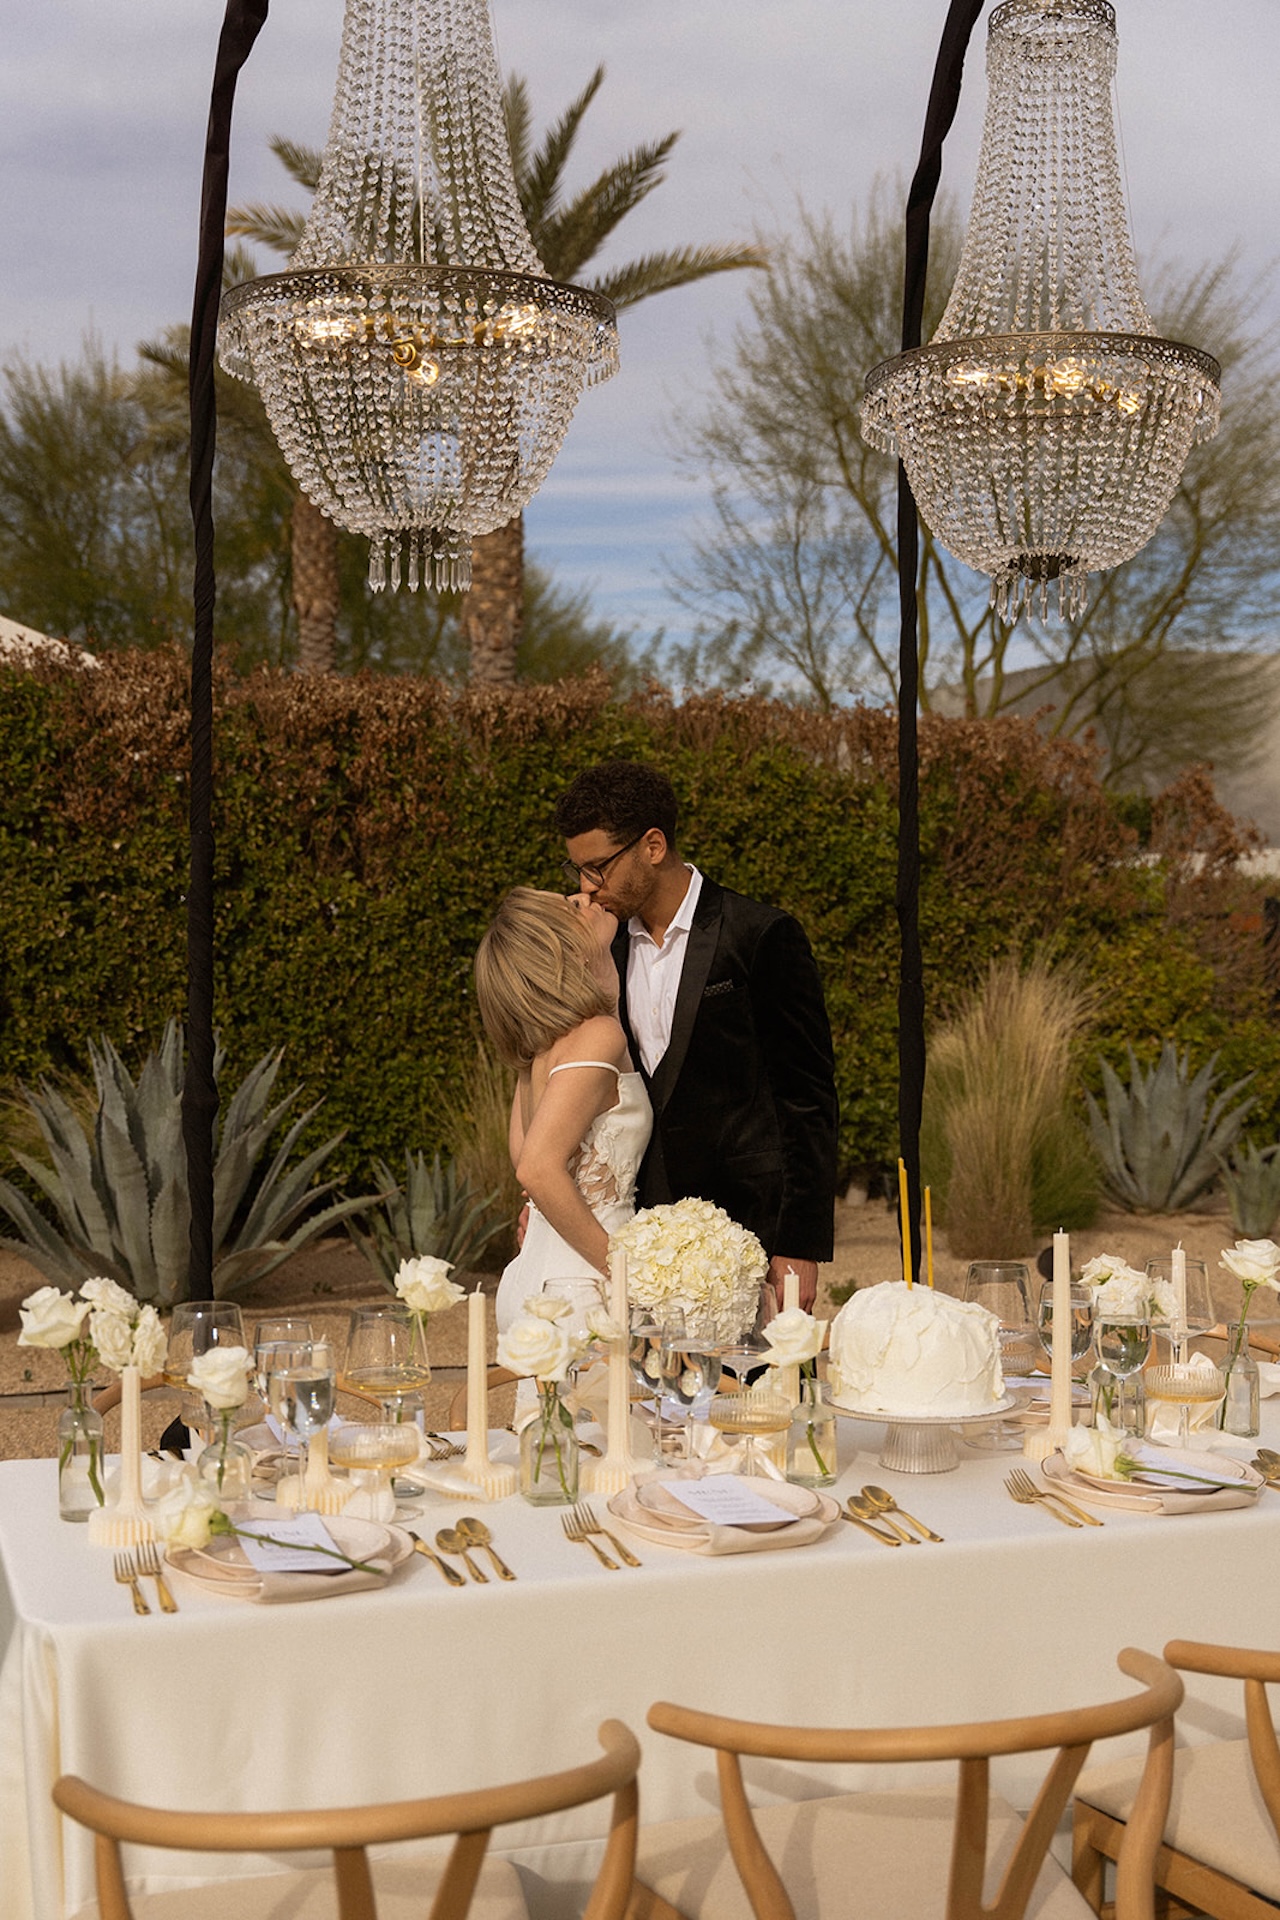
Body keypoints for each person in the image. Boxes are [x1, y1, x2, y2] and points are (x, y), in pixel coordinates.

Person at [554, 760, 838, 1313]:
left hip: (751, 1233)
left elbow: (808, 1100)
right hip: (642, 1241)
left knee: (764, 1400)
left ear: (653, 846)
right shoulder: (601, 950)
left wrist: (799, 1243)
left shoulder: (761, 935)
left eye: (597, 868)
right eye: (578, 871)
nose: (588, 888)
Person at [474, 886, 653, 1337]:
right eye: (572, 907)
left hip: (534, 1277)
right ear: (562, 946)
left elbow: (527, 1160)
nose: (585, 895)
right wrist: (627, 1278)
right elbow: (536, 1169)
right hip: (582, 1288)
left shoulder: (540, 1054)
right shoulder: (597, 1037)